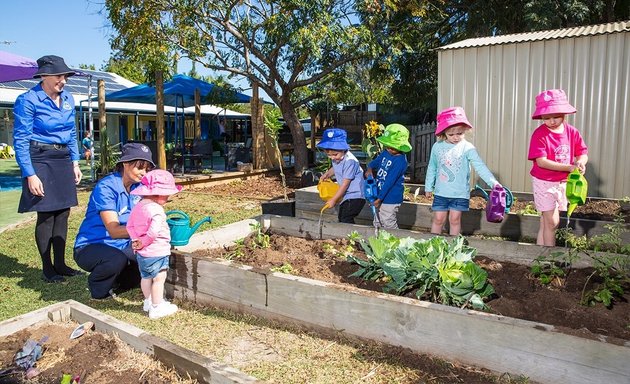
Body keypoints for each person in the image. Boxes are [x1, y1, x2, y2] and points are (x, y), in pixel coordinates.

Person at [13, 55, 84, 283]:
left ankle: (61, 264)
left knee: (63, 212)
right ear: (44, 76)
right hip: (40, 158)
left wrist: (75, 162)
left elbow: (72, 133)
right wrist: (30, 174)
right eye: (59, 76)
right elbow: (21, 140)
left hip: (62, 158)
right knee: (46, 215)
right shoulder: (28, 100)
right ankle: (47, 269)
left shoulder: (69, 99)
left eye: (65, 76)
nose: (63, 80)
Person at [73, 143, 155, 299]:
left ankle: (117, 282)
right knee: (116, 259)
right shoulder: (106, 187)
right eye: (139, 168)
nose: (144, 173)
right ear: (125, 164)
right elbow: (114, 231)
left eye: (147, 169)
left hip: (122, 245)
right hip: (92, 245)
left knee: (151, 254)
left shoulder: (139, 187)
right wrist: (148, 230)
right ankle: (97, 289)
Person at [425, 107, 501, 236]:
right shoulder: (437, 147)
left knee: (454, 220)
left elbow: (480, 166)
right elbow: (432, 167)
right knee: (438, 219)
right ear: (444, 132)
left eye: (459, 133)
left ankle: (453, 248)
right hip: (441, 192)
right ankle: (433, 248)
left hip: (459, 193)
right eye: (451, 134)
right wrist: (428, 187)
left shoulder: (467, 148)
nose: (455, 137)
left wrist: (493, 183)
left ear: (465, 130)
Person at [528, 89, 588, 246]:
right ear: (541, 116)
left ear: (564, 114)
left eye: (556, 116)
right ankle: (550, 258)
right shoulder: (539, 134)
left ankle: (539, 253)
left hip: (562, 183)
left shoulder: (572, 132)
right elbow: (541, 161)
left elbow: (582, 152)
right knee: (553, 222)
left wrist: (581, 162)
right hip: (544, 182)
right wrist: (569, 168)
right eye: (547, 118)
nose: (552, 121)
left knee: (546, 223)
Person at [127, 169, 181, 319]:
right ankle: (157, 307)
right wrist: (144, 241)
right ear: (158, 194)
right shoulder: (156, 210)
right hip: (157, 251)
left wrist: (136, 241)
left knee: (145, 277)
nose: (169, 197)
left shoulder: (138, 206)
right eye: (167, 195)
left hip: (142, 253)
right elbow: (153, 233)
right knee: (159, 278)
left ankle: (149, 301)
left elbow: (129, 226)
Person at [365, 124, 412, 229]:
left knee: (387, 221)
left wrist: (380, 199)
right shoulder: (386, 153)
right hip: (379, 193)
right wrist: (369, 168)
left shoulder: (400, 161)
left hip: (391, 197)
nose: (390, 150)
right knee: (377, 220)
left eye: (393, 148)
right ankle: (379, 242)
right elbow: (376, 162)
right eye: (388, 146)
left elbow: (389, 181)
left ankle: (396, 242)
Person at [317, 128, 366, 224]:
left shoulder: (350, 162)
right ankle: (349, 236)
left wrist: (333, 200)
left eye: (334, 155)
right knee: (343, 216)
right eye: (329, 155)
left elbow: (345, 184)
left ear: (344, 149)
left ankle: (352, 237)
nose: (332, 157)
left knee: (345, 217)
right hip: (347, 195)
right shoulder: (337, 157)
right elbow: (335, 168)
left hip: (356, 195)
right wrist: (327, 174)